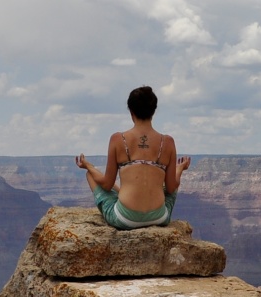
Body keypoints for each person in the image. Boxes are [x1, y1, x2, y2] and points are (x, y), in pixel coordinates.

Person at [76, 85, 191, 229]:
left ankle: (120, 196)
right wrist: (180, 168)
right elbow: (171, 186)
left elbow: (106, 184)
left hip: (125, 219)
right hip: (158, 217)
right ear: (153, 111)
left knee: (90, 175)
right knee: (169, 188)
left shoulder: (118, 139)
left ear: (131, 111)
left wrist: (88, 166)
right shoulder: (168, 142)